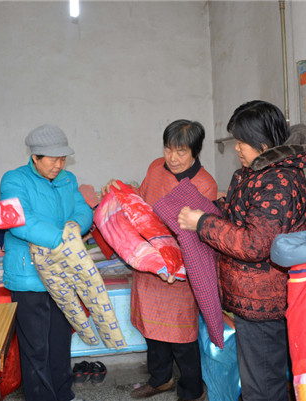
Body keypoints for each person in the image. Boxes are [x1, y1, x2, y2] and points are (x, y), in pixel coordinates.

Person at [177, 101, 306, 401]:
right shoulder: (255, 172)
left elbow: (255, 244)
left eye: (242, 143)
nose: (237, 149)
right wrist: (219, 208)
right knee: (256, 378)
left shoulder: (278, 179)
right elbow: (246, 216)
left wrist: (202, 222)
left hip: (263, 302)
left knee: (263, 385)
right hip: (248, 297)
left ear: (263, 144)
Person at [103, 119, 217, 401]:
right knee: (152, 332)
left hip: (180, 268)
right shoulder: (156, 167)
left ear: (195, 151)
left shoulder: (204, 184)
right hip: (148, 263)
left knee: (182, 337)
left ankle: (191, 391)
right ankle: (161, 379)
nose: (173, 158)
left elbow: (200, 236)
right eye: (168, 149)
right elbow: (140, 203)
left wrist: (173, 265)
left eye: (181, 152)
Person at [0, 124, 93, 401]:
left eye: (62, 159)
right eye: (53, 160)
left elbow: (81, 209)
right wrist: (61, 239)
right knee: (36, 348)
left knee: (60, 342)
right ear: (35, 157)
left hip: (62, 275)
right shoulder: (14, 180)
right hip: (29, 277)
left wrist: (75, 224)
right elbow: (20, 220)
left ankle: (63, 395)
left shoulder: (67, 179)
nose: (59, 165)